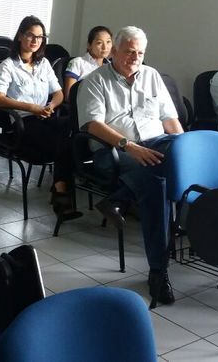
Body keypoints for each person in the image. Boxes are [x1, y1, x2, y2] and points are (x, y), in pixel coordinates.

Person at [76, 26, 184, 307]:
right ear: (114, 52)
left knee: (166, 168)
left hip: (156, 144)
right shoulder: (95, 80)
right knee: (156, 183)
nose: (135, 57)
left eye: (140, 53)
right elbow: (92, 125)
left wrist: (185, 149)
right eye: (129, 51)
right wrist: (130, 146)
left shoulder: (152, 76)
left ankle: (119, 199)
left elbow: (169, 119)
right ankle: (158, 273)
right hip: (113, 150)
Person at [0, 16, 80, 221]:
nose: (35, 40)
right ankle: (61, 194)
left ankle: (60, 191)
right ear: (21, 36)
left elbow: (58, 93)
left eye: (40, 37)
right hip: (23, 122)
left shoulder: (44, 63)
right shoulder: (8, 65)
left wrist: (50, 106)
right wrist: (31, 107)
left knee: (72, 130)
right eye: (31, 35)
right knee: (63, 141)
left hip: (45, 117)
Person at [63, 25, 112, 99]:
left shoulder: (112, 66)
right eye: (99, 43)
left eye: (108, 42)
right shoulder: (78, 63)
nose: (105, 47)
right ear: (89, 45)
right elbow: (69, 95)